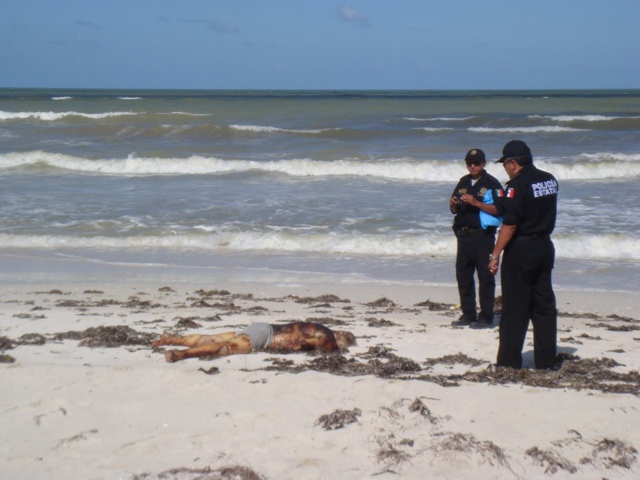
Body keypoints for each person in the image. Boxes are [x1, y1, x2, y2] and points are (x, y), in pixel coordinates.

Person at [488, 140, 558, 369]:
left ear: (513, 163)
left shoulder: (516, 186)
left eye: (505, 164)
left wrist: (495, 254)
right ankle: (546, 362)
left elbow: (510, 226)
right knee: (543, 307)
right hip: (545, 247)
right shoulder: (549, 179)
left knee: (515, 308)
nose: (505, 169)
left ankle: (508, 363)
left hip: (521, 249)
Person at [450, 148, 504, 329]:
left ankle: (487, 316)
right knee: (463, 275)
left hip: (482, 236)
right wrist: (453, 205)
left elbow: (500, 210)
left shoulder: (492, 184)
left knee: (485, 277)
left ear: (484, 163)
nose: (472, 166)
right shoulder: (463, 182)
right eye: (469, 163)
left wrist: (476, 203)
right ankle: (468, 313)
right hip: (463, 235)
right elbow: (454, 209)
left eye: (476, 163)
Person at [151, 321, 357, 363]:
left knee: (212, 338)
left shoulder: (320, 326)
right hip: (264, 338)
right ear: (340, 339)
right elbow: (304, 343)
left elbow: (302, 337)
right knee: (224, 348)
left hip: (262, 327)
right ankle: (181, 354)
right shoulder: (328, 337)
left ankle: (172, 339)